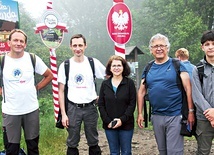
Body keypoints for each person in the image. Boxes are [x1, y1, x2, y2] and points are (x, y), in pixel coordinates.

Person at [137, 33, 195, 155]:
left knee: (174, 152)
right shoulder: (148, 68)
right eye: (155, 46)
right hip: (156, 116)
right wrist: (140, 113)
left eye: (162, 45)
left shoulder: (177, 65)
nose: (159, 48)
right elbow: (141, 92)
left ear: (167, 48)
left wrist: (190, 112)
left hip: (175, 116)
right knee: (162, 151)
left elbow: (188, 88)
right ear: (151, 49)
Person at [0, 29, 53, 155]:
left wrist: (36, 88)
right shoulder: (2, 61)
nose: (18, 43)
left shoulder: (32, 58)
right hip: (11, 112)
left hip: (31, 110)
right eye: (15, 40)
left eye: (21, 41)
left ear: (25, 44)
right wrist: (2, 91)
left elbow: (49, 75)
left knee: (33, 147)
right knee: (11, 149)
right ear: (9, 42)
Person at [58, 34, 105, 155]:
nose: (77, 48)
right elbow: (61, 90)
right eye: (75, 45)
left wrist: (103, 96)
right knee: (72, 142)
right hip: (73, 108)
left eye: (80, 45)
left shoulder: (92, 62)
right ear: (70, 47)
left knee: (93, 140)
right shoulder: (65, 65)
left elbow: (109, 77)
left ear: (85, 46)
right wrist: (63, 114)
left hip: (90, 107)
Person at [98, 55, 136, 155]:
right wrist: (107, 121)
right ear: (110, 68)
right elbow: (101, 104)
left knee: (126, 152)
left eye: (119, 65)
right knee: (114, 152)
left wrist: (122, 120)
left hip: (126, 124)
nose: (116, 68)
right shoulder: (105, 84)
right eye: (113, 65)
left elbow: (132, 104)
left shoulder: (129, 83)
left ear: (123, 67)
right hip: (109, 124)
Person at [191, 30, 214, 155]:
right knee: (203, 151)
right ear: (202, 47)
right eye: (207, 44)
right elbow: (196, 95)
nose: (211, 47)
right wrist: (210, 113)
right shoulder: (197, 69)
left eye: (213, 43)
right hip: (204, 118)